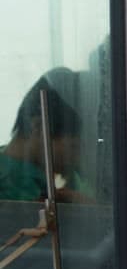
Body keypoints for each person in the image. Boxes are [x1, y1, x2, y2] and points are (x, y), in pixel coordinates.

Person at [0, 73, 84, 203]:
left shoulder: (28, 177)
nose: (77, 158)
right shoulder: (15, 189)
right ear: (39, 127)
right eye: (73, 147)